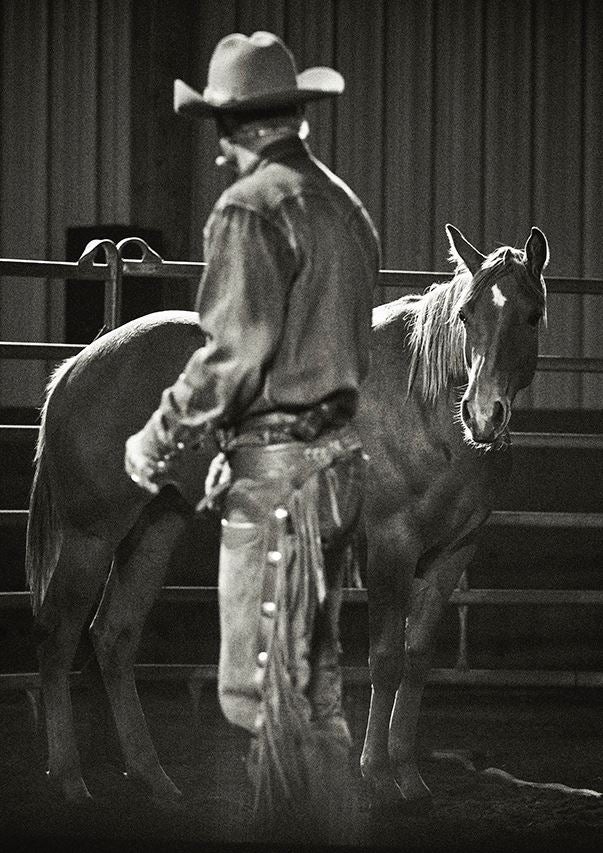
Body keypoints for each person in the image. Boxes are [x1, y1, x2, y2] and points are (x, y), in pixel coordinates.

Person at [125, 31, 380, 844]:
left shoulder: (249, 210)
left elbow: (230, 358)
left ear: (231, 127)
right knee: (315, 691)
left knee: (263, 700)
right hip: (337, 468)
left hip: (277, 482)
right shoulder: (345, 207)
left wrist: (157, 436)